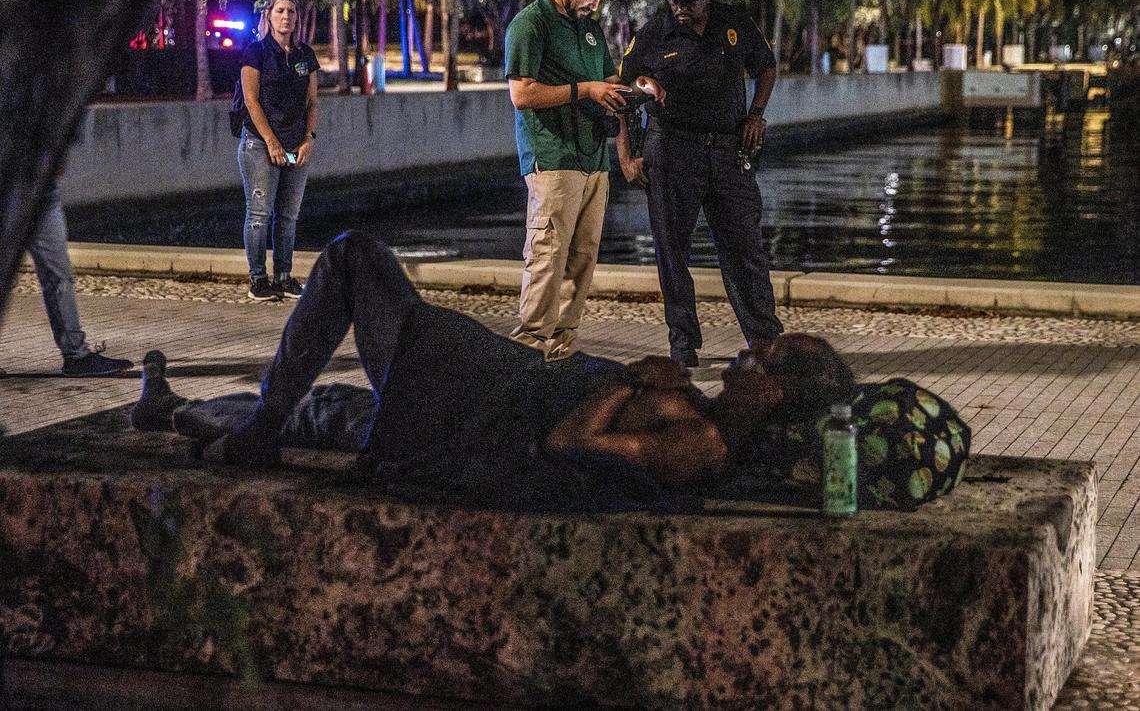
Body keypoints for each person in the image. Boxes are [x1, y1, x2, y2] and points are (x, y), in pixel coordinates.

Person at [130, 231, 854, 512]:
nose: (761, 346)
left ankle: (251, 426)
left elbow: (569, 444)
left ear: (778, 395)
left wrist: (633, 380)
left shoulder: (701, 440)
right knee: (328, 408)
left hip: (467, 405)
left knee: (355, 258)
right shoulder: (698, 412)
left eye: (777, 356)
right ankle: (168, 409)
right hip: (476, 390)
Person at [617, 0, 783, 367]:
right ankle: (683, 344)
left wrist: (757, 114)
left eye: (689, 1)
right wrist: (625, 154)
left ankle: (764, 340)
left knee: (745, 247)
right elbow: (623, 85)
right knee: (672, 249)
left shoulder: (734, 24)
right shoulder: (656, 31)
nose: (680, 8)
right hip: (672, 150)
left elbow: (766, 67)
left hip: (728, 151)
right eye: (674, 0)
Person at [503, 0, 664, 361]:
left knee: (583, 258)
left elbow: (606, 78)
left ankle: (561, 350)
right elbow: (522, 94)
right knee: (548, 255)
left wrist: (634, 86)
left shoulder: (588, 29)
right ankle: (529, 352)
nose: (596, 5)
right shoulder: (530, 25)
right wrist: (586, 91)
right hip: (553, 157)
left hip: (593, 159)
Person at [238, 0, 320, 302]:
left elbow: (312, 102)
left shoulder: (305, 56)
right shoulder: (256, 52)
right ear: (269, 16)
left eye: (291, 12)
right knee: (259, 214)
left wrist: (308, 140)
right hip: (260, 144)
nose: (286, 17)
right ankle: (258, 279)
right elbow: (251, 101)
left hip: (296, 143)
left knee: (288, 215)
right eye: (280, 11)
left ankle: (283, 276)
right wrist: (270, 141)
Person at [14, 182, 133, 377]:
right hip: (9, 190)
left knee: (60, 276)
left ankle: (76, 357)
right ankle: (76, 355)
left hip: (44, 193)